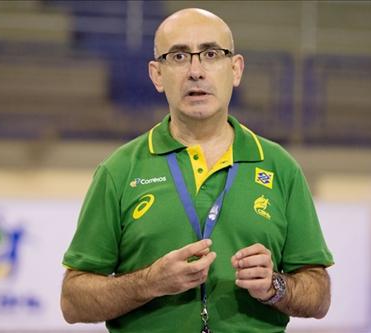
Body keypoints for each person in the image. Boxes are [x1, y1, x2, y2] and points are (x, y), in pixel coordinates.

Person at [60, 8, 334, 333]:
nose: (195, 71)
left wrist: (274, 286)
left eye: (211, 54)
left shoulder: (280, 167)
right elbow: (72, 300)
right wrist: (149, 282)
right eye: (178, 56)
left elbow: (319, 296)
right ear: (156, 75)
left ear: (235, 69)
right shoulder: (119, 170)